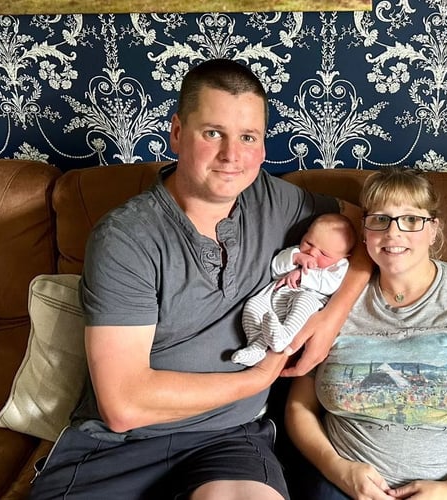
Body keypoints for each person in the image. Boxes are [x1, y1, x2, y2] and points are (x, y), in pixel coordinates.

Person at [29, 58, 371, 500]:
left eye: (248, 137)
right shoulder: (125, 237)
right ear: (176, 133)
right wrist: (258, 378)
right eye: (213, 133)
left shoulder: (276, 199)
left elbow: (372, 228)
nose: (232, 156)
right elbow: (123, 405)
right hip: (119, 447)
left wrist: (328, 322)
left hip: (229, 438)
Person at [285, 167, 447, 500]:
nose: (394, 233)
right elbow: (298, 408)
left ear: (434, 229)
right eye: (381, 220)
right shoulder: (333, 301)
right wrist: (338, 469)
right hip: (344, 486)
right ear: (364, 231)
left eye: (411, 220)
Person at [233, 213, 357, 366]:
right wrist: (295, 258)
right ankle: (256, 345)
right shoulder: (297, 252)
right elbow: (275, 269)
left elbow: (331, 285)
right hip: (275, 297)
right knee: (253, 305)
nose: (312, 252)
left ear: (344, 256)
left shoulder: (339, 266)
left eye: (324, 253)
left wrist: (302, 275)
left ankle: (284, 336)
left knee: (303, 302)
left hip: (308, 298)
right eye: (309, 243)